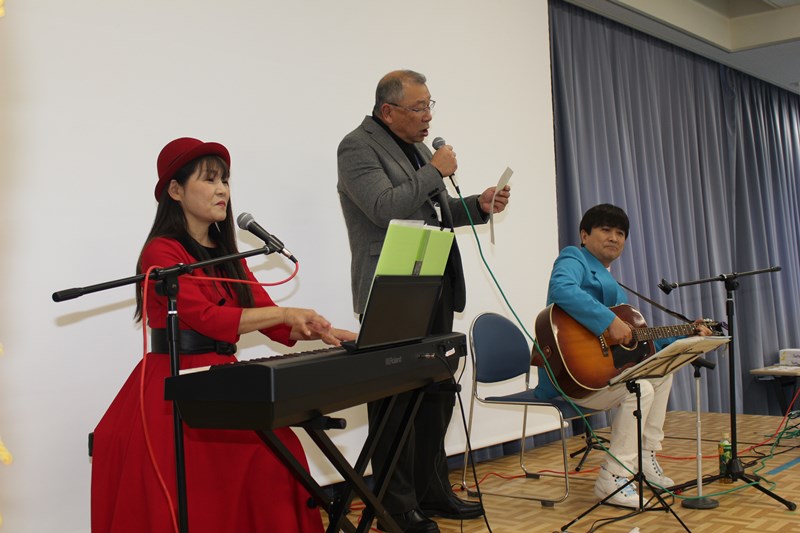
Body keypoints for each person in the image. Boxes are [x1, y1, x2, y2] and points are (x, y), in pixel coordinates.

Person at [91, 137, 356, 533]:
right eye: (210, 180)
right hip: (175, 384)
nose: (222, 191)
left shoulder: (225, 251)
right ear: (176, 190)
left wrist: (324, 331)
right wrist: (284, 312)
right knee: (200, 487)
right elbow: (207, 317)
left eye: (225, 181)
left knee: (282, 455)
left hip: (219, 377)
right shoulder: (161, 252)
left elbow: (267, 315)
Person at [337, 70, 510, 532]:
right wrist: (434, 171)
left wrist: (478, 206)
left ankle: (432, 490)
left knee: (435, 392)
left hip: (432, 280)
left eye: (430, 105)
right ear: (388, 110)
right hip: (392, 288)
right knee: (394, 399)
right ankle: (395, 507)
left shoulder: (413, 148)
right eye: (419, 107)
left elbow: (432, 211)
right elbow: (383, 207)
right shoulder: (356, 147)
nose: (428, 116)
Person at [533, 203, 712, 508]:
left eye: (620, 233)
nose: (614, 238)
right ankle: (614, 476)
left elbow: (642, 343)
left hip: (601, 375)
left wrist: (687, 334)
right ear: (584, 235)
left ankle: (645, 456)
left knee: (662, 372)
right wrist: (608, 321)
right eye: (605, 230)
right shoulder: (573, 257)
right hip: (570, 377)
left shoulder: (616, 290)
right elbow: (562, 289)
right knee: (639, 389)